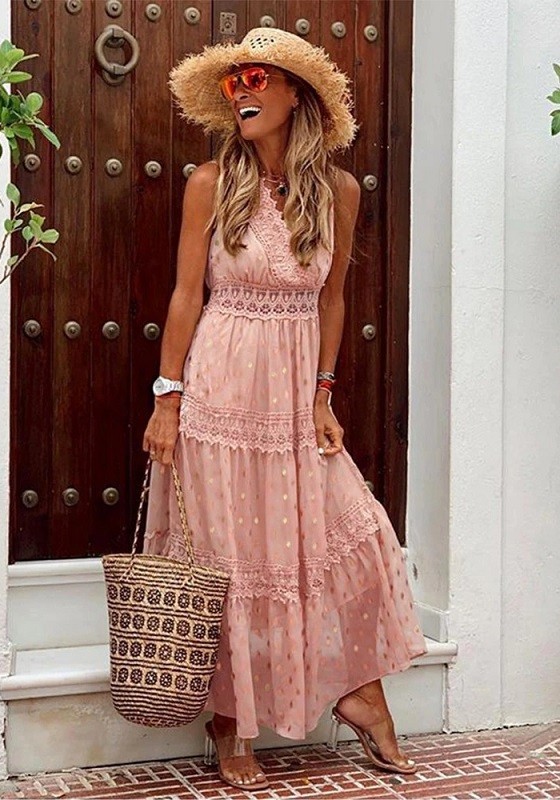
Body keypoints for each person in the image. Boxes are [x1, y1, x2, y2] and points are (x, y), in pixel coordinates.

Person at [142, 27, 427, 792]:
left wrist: (324, 393)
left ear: (295, 94)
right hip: (221, 386)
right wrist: (167, 398)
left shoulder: (339, 191)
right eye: (233, 80)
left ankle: (359, 692)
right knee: (228, 558)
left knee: (352, 531)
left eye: (257, 77)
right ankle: (230, 720)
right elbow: (185, 296)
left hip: (296, 391)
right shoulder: (211, 183)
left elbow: (333, 300)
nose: (242, 90)